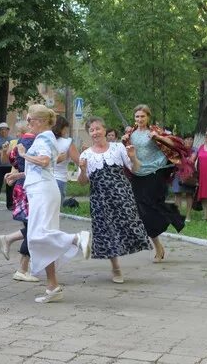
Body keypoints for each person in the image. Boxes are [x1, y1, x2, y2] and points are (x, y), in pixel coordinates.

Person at [18, 104, 91, 303]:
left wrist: (23, 154)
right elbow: (44, 166)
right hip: (42, 188)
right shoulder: (47, 137)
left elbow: (42, 161)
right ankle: (53, 286)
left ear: (39, 121)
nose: (27, 123)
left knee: (37, 236)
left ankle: (77, 239)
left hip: (42, 191)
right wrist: (17, 174)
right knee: (42, 239)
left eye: (30, 120)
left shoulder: (43, 137)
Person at [78, 117, 151, 283]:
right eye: (92, 130)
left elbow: (136, 168)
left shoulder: (118, 147)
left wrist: (132, 157)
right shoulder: (86, 154)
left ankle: (135, 247)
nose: (95, 132)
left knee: (129, 225)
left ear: (104, 130)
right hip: (100, 199)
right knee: (106, 231)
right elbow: (82, 182)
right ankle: (116, 268)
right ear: (89, 133)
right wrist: (82, 170)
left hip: (122, 195)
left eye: (98, 128)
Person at [122, 104, 186, 262]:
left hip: (155, 172)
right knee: (140, 211)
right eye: (137, 116)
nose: (139, 119)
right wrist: (123, 141)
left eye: (142, 116)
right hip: (138, 173)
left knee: (150, 206)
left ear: (148, 117)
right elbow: (127, 152)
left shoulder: (155, 131)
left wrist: (158, 138)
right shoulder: (131, 133)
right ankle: (159, 243)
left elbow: (175, 144)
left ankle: (171, 216)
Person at [0, 120, 39, 282]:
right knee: (34, 227)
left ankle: (8, 240)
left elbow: (10, 161)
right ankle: (22, 268)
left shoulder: (18, 143)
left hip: (20, 188)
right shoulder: (37, 142)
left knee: (32, 226)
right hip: (32, 188)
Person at [51, 116, 80, 204]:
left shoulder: (44, 140)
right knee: (55, 212)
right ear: (62, 128)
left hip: (43, 178)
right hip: (59, 179)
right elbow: (79, 161)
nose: (66, 132)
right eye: (66, 129)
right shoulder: (67, 143)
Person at [171, 133, 196, 222]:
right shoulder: (178, 149)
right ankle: (178, 215)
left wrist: (183, 158)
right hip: (178, 174)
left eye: (191, 139)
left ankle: (188, 216)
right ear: (183, 140)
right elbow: (175, 160)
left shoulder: (194, 150)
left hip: (190, 175)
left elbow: (192, 160)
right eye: (187, 139)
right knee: (178, 194)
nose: (189, 141)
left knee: (189, 194)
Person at [197, 127, 207, 220]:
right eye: (206, 135)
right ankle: (206, 215)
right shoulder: (201, 147)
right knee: (205, 195)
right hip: (203, 176)